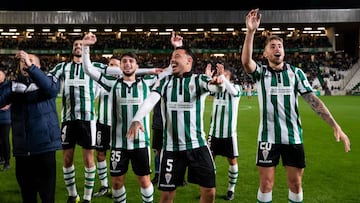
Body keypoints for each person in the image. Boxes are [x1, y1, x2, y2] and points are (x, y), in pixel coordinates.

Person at [241, 8, 351, 203]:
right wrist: (250, 32)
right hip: (268, 138)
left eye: (280, 46)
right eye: (272, 46)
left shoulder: (296, 73)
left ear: (283, 51)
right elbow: (246, 62)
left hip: (293, 137)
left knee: (296, 184)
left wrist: (336, 125)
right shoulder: (261, 73)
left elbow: (314, 101)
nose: (277, 48)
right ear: (266, 53)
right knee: (266, 184)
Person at [126, 32, 228, 203]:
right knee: (166, 197)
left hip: (198, 146)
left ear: (189, 61)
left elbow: (214, 88)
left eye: (177, 57)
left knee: (210, 192)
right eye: (172, 57)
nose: (172, 60)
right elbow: (151, 99)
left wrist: (220, 83)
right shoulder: (165, 82)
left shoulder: (198, 80)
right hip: (172, 149)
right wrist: (137, 118)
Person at [81, 32, 172, 203]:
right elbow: (88, 69)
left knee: (144, 180)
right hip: (118, 143)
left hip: (141, 143)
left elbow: (168, 71)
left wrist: (175, 48)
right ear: (120, 66)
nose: (128, 64)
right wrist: (86, 47)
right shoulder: (112, 83)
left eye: (131, 61)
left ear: (137, 66)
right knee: (116, 182)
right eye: (124, 61)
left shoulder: (146, 82)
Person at [0, 50, 62, 203]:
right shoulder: (12, 86)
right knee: (28, 197)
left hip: (45, 148)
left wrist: (31, 67)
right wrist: (2, 83)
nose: (26, 63)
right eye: (23, 61)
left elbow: (51, 89)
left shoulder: (49, 79)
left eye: (31, 61)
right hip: (23, 151)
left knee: (47, 198)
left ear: (39, 66)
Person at [49, 38, 101, 203]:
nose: (78, 46)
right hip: (68, 119)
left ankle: (87, 197)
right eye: (76, 45)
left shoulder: (94, 67)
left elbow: (116, 71)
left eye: (81, 44)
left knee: (88, 159)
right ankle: (73, 195)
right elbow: (47, 81)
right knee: (67, 159)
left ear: (87, 49)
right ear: (72, 49)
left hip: (88, 119)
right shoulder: (62, 67)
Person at [205, 63, 242, 201]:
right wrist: (208, 77)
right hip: (213, 133)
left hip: (229, 134)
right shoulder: (217, 89)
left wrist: (222, 77)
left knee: (232, 161)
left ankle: (231, 189)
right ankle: (210, 189)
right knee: (209, 161)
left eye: (225, 75)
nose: (221, 77)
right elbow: (207, 88)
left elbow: (234, 92)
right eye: (221, 74)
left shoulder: (236, 88)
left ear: (230, 78)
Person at [0, 70, 11, 171]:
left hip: (5, 119)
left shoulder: (7, 86)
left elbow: (5, 100)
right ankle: (2, 158)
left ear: (4, 77)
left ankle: (7, 161)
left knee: (5, 140)